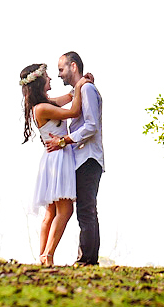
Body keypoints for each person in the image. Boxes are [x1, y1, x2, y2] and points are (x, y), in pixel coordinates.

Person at [19, 62, 93, 265]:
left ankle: (43, 256)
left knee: (51, 212)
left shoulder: (46, 103)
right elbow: (74, 111)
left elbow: (69, 97)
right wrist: (80, 86)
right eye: (47, 76)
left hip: (54, 158)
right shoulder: (42, 108)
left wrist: (80, 84)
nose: (51, 78)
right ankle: (48, 254)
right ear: (39, 82)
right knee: (65, 210)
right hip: (59, 158)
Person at [44, 51, 104, 265]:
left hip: (89, 157)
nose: (59, 74)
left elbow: (91, 126)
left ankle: (86, 260)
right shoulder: (80, 89)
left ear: (73, 66)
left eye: (61, 69)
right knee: (85, 210)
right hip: (80, 158)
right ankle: (88, 259)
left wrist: (64, 141)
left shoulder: (87, 89)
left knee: (86, 210)